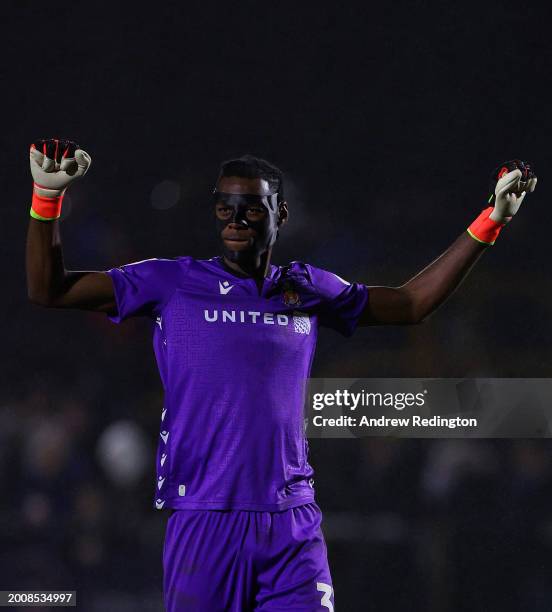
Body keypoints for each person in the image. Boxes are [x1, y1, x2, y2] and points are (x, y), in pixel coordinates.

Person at [26, 138, 536, 611]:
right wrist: (47, 199)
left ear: (280, 214)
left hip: (292, 523)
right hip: (206, 519)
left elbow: (409, 303)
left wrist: (491, 220)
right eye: (225, 207)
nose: (236, 219)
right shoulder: (173, 281)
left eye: (251, 208)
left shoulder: (305, 287)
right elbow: (49, 291)